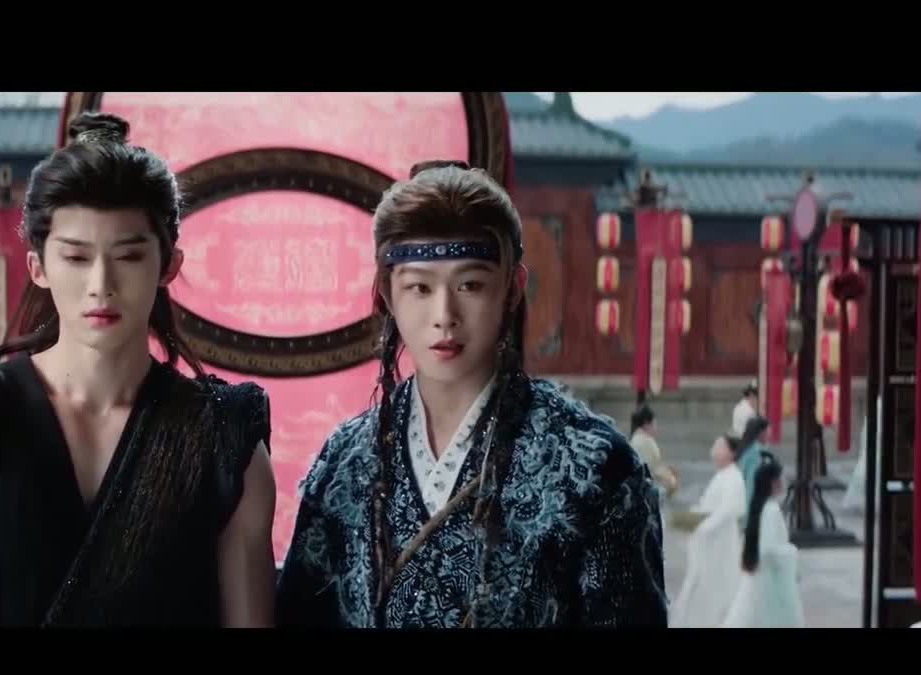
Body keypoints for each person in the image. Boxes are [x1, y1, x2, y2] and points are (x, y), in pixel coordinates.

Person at [0, 112, 277, 628]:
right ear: (38, 267)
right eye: (76, 258)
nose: (101, 284)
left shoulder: (224, 442)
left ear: (168, 265)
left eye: (128, 257)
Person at [275, 160, 667, 628]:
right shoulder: (344, 463)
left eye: (470, 285)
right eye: (420, 287)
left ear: (513, 288)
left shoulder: (595, 467)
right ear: (386, 293)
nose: (445, 314)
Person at [671, 435, 746, 627]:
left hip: (720, 542)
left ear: (731, 453)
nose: (714, 450)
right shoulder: (723, 475)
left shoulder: (733, 477)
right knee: (701, 592)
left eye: (719, 446)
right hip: (709, 543)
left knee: (717, 593)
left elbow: (729, 509)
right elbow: (709, 507)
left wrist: (704, 527)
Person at [722, 455, 803, 628]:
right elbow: (767, 550)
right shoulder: (771, 510)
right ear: (773, 483)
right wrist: (791, 551)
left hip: (764, 576)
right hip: (771, 580)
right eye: (781, 478)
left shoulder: (763, 508)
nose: (784, 482)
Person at [630, 404, 678, 500]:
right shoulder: (644, 441)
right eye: (655, 422)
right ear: (647, 424)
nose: (656, 426)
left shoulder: (638, 438)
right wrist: (670, 478)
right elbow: (650, 469)